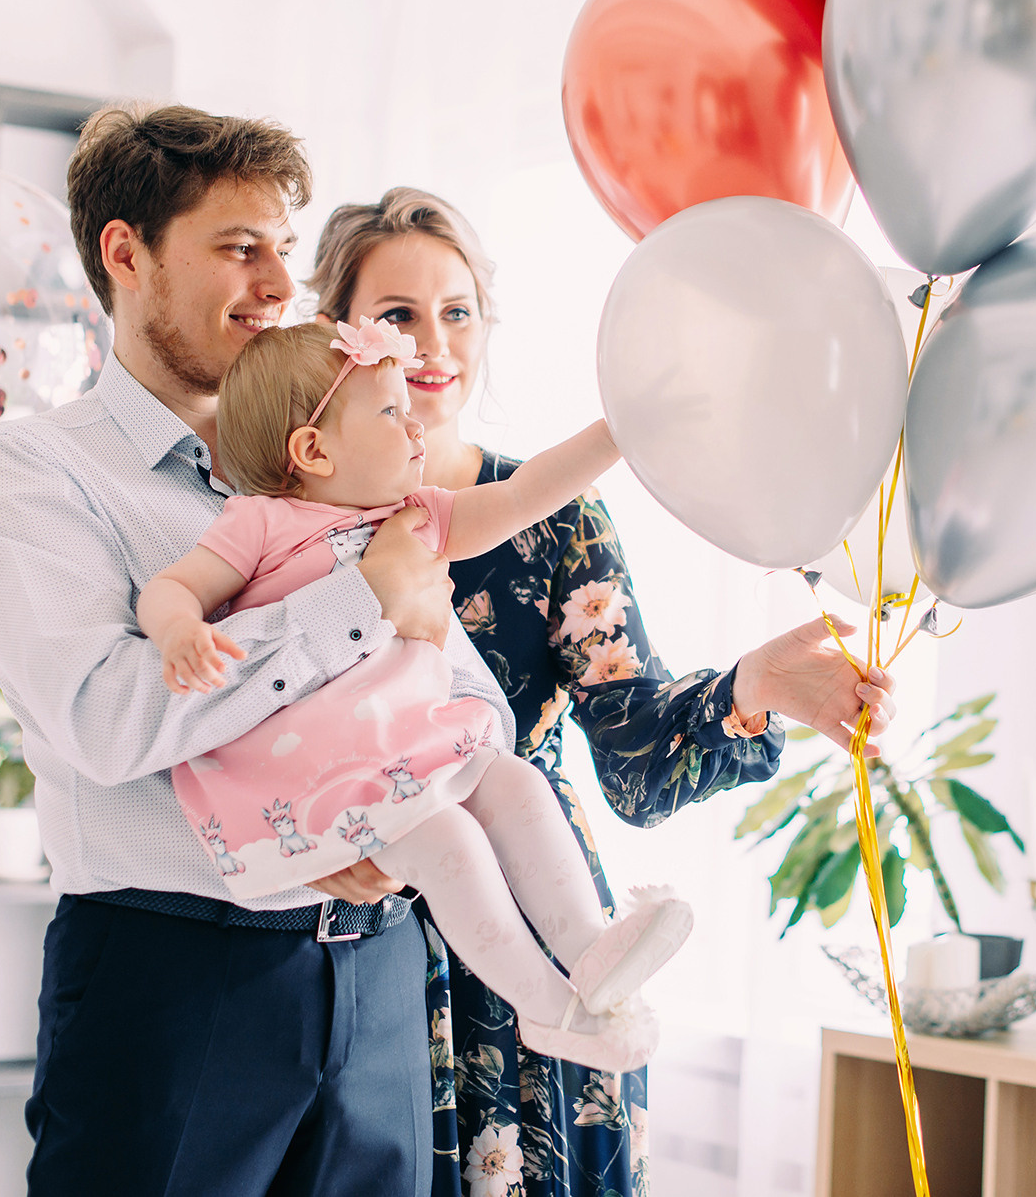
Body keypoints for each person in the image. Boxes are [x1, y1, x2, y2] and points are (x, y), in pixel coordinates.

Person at [306, 189, 897, 1197]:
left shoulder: (550, 518)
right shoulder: (282, 514)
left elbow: (630, 758)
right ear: (340, 328)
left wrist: (749, 684)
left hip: (543, 918)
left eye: (458, 310)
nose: (434, 343)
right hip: (351, 931)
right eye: (398, 313)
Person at [0, 105, 468, 1196]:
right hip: (174, 981)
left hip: (376, 968)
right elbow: (107, 714)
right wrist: (349, 599)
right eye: (241, 247)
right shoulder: (33, 471)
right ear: (126, 252)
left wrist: (374, 811)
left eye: (283, 247)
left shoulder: (334, 450)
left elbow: (440, 682)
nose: (281, 282)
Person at [138, 314, 691, 1071]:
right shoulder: (260, 523)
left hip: (419, 740)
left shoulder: (420, 516)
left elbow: (530, 492)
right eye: (392, 412)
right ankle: (548, 1008)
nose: (418, 427)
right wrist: (179, 632)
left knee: (520, 784)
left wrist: (619, 431)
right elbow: (174, 586)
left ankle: (589, 951)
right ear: (313, 449)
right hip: (328, 772)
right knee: (451, 841)